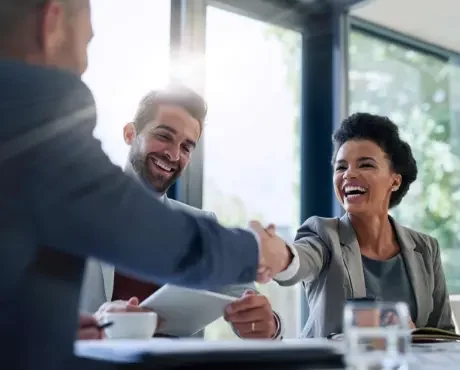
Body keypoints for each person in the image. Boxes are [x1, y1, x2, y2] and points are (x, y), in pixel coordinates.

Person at [0, 1, 293, 369]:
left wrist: (56, 328)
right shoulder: (36, 115)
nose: (84, 64)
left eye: (187, 146)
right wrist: (258, 250)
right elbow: (151, 234)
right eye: (86, 44)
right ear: (52, 21)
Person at [80, 87, 283, 340]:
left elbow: (247, 299)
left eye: (186, 147)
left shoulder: (202, 225)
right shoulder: (78, 208)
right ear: (130, 134)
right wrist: (99, 321)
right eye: (164, 136)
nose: (173, 154)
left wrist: (269, 324)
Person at [274, 112, 455, 337]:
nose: (349, 174)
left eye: (366, 165)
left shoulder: (426, 248)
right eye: (341, 167)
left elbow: (443, 335)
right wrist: (275, 254)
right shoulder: (322, 235)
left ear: (395, 180)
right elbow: (297, 262)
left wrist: (411, 338)